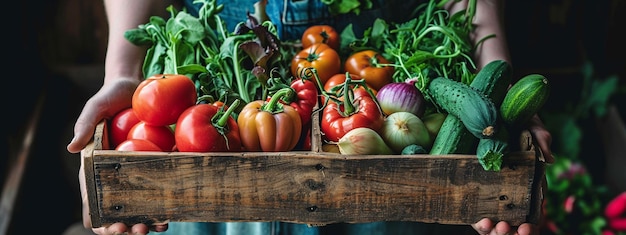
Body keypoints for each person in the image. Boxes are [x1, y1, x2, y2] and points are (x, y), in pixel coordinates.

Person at [67, 0, 554, 234]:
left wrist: (501, 99)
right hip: (217, 157)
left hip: (383, 156)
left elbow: (470, 2)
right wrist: (123, 76)